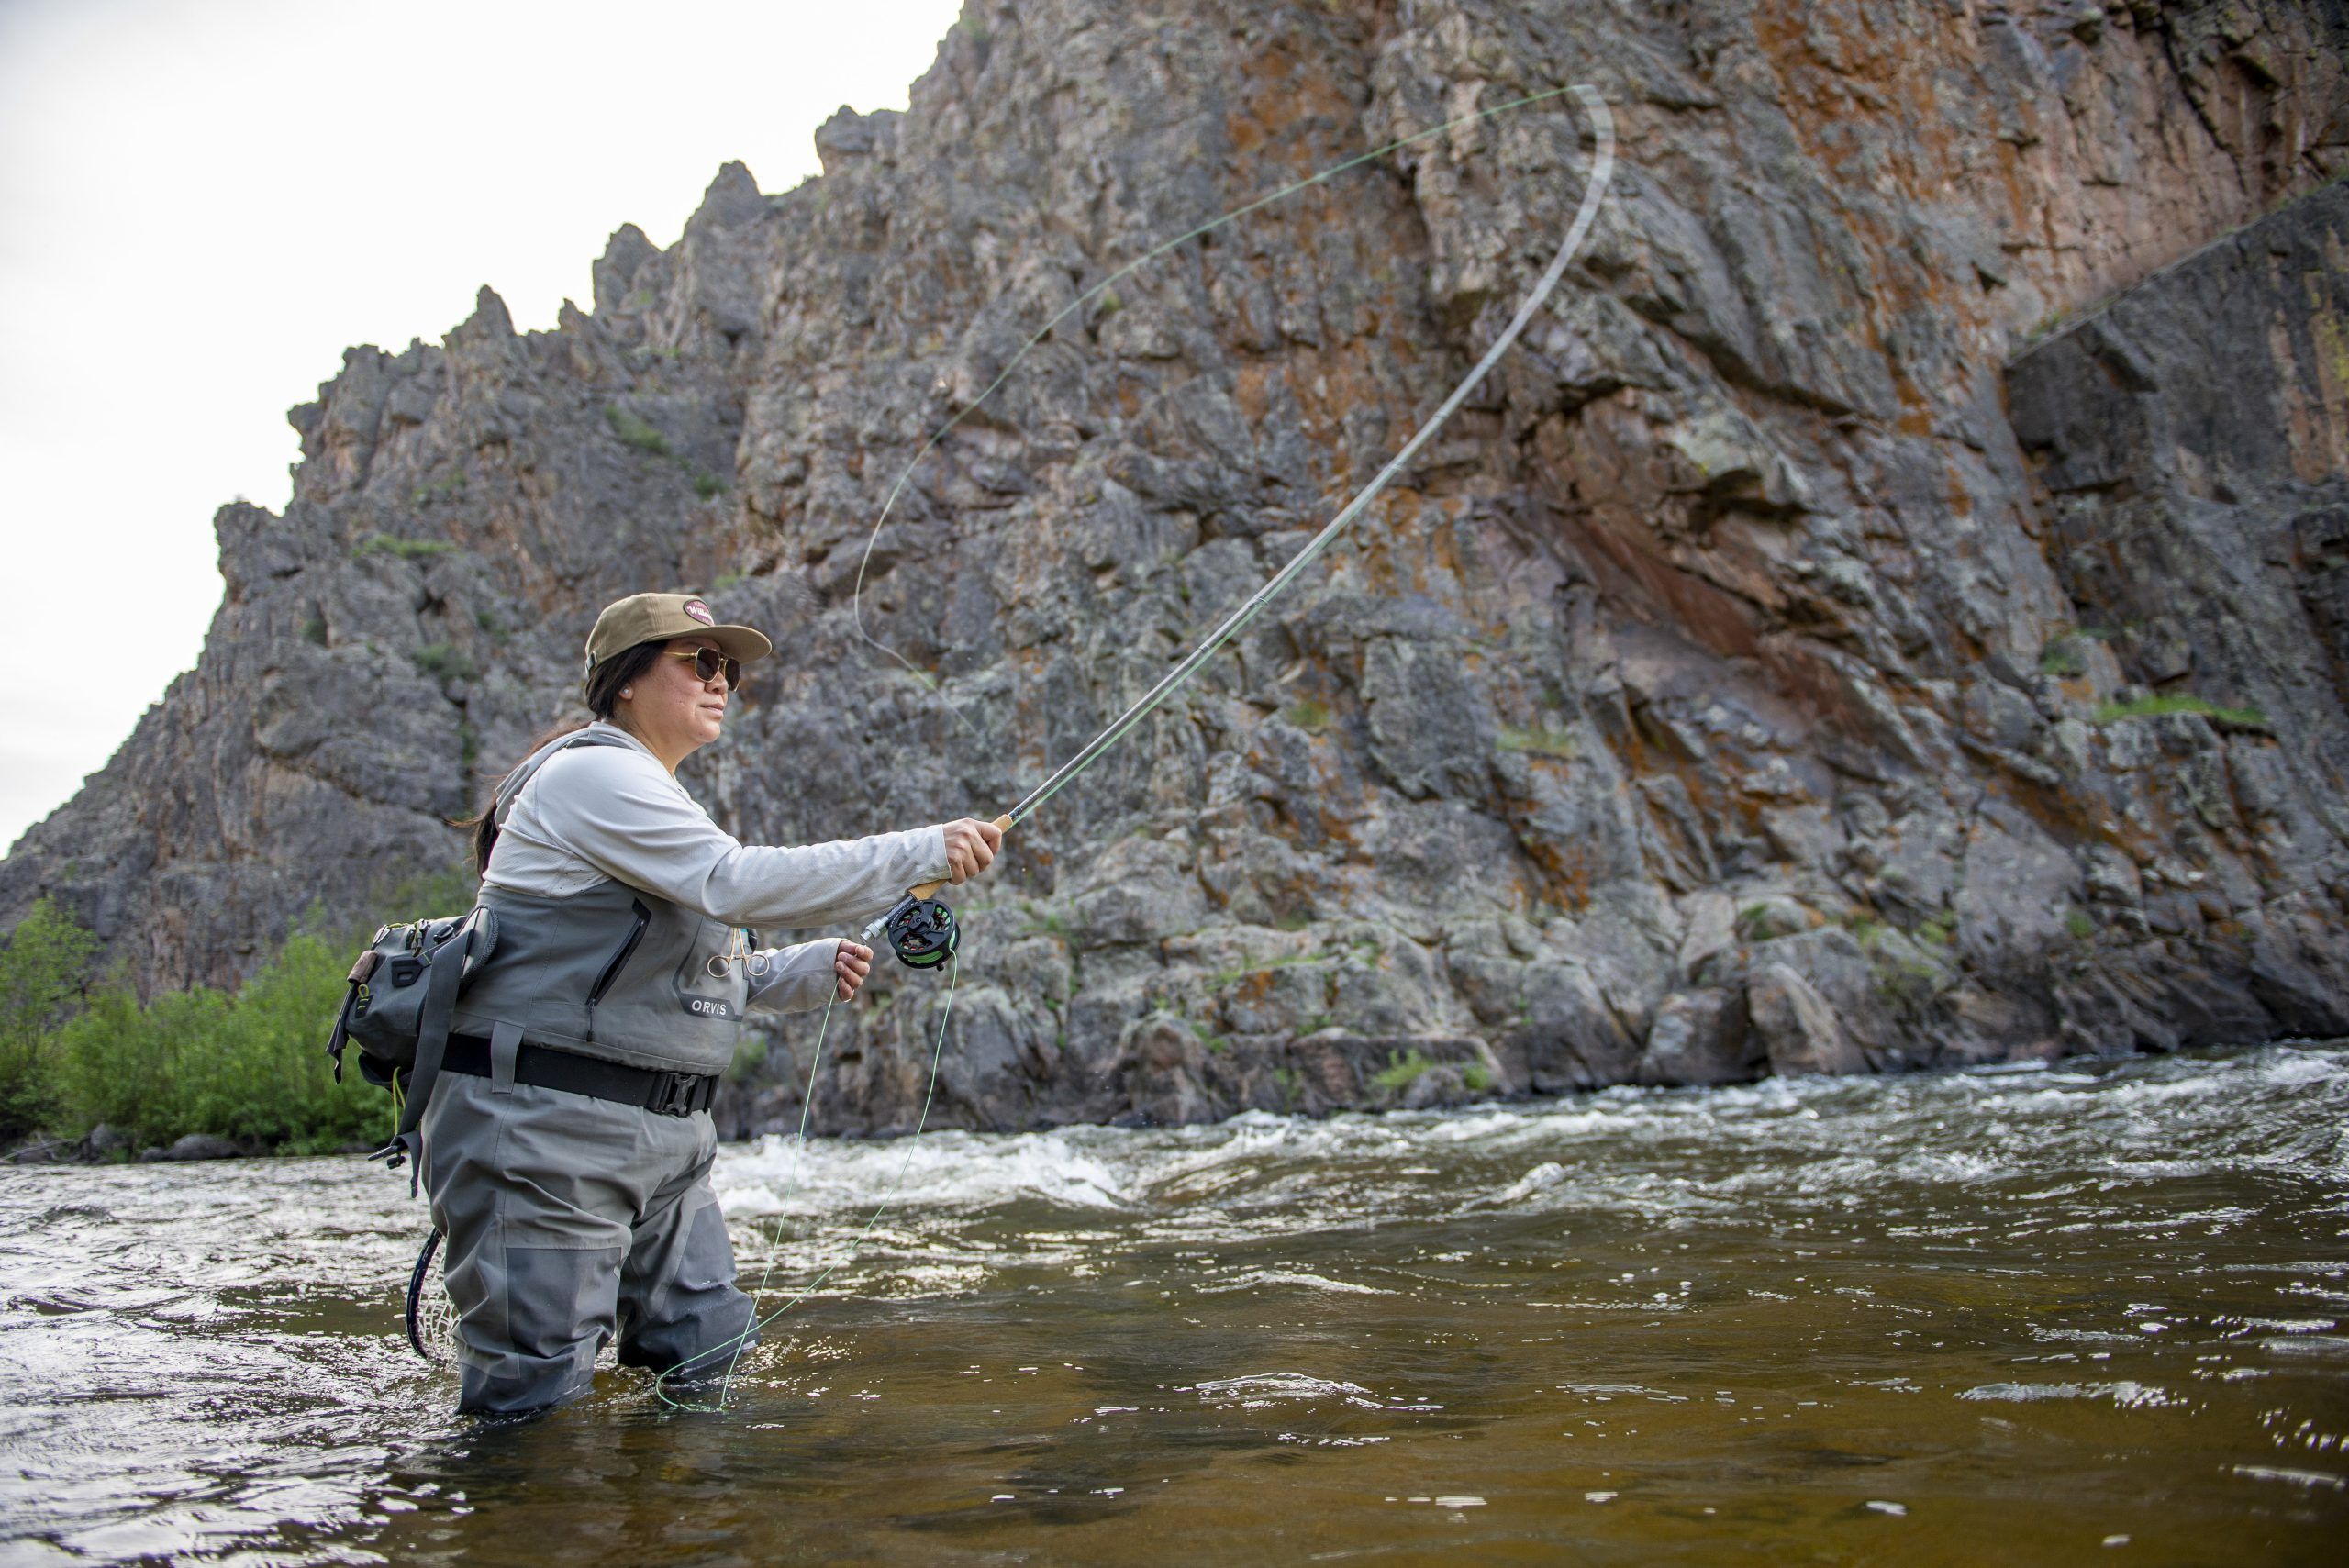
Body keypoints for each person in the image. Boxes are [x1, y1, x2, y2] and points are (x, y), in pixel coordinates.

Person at [424, 590, 1001, 1415]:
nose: (721, 679)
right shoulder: (592, 773)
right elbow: (732, 882)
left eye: (727, 667)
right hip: (546, 1134)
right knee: (531, 1404)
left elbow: (680, 965)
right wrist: (919, 848)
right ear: (625, 681)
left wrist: (794, 968)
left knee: (708, 1357)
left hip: (666, 1143)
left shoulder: (652, 796)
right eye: (698, 661)